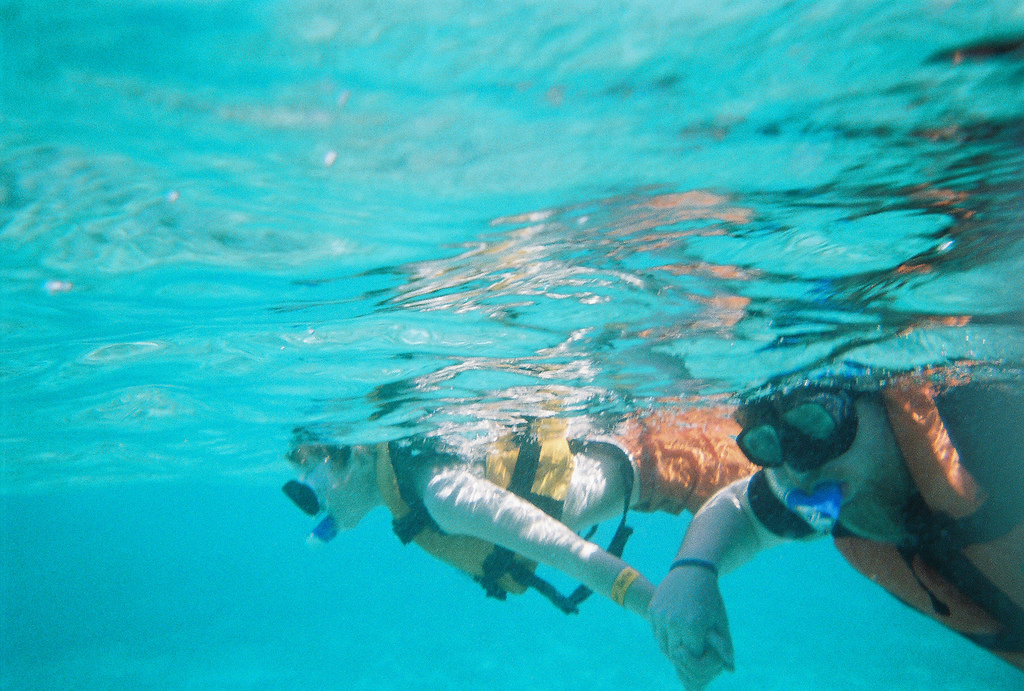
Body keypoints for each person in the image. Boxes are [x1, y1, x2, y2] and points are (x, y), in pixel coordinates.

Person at [648, 376, 1024, 690]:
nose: (801, 472)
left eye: (817, 424)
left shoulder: (991, 432)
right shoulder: (844, 481)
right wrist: (694, 569)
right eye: (771, 446)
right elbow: (742, 508)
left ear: (882, 396)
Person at [282, 408, 755, 617]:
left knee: (818, 489)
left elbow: (568, 553)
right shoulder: (417, 496)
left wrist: (656, 609)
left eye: (308, 470)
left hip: (686, 456)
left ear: (357, 452)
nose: (308, 494)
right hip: (669, 466)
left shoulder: (441, 495)